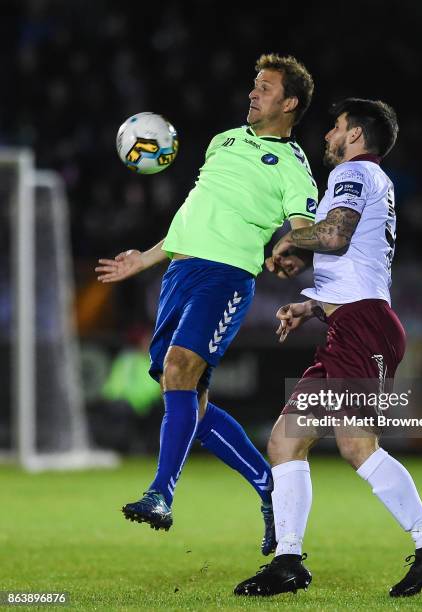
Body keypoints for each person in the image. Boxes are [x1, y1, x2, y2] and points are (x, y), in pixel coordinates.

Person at [234, 98, 422, 597]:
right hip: (352, 325)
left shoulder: (354, 175)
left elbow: (335, 236)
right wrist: (312, 306)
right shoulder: (369, 181)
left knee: (353, 446)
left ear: (355, 136)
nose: (329, 135)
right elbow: (357, 262)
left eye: (336, 127)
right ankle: (290, 561)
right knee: (287, 440)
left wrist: (289, 238)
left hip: (363, 329)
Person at [95, 54, 317, 555]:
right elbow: (197, 208)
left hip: (227, 275)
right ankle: (268, 486)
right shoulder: (224, 141)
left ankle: (161, 493)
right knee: (188, 398)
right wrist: (146, 258)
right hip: (180, 273)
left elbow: (305, 230)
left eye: (265, 88)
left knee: (179, 367)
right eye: (253, 85)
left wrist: (292, 252)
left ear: (289, 103)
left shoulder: (292, 164)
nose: (252, 94)